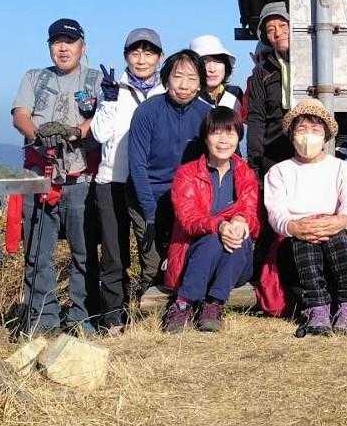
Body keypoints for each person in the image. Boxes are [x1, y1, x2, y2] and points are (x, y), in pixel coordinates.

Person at [12, 18, 102, 335]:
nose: (63, 48)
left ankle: (83, 319)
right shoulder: (34, 77)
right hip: (39, 177)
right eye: (57, 42)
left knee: (84, 254)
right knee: (38, 255)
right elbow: (20, 114)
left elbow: (103, 117)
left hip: (81, 178)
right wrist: (37, 135)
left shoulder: (96, 79)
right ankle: (42, 321)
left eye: (70, 42)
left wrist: (76, 131)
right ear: (50, 47)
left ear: (82, 47)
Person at [263, 99, 347, 337]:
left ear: (326, 134)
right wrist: (294, 227)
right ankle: (316, 308)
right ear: (291, 134)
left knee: (339, 236)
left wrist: (341, 220)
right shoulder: (278, 171)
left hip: (333, 236)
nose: (308, 135)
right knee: (304, 241)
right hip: (293, 241)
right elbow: (276, 213)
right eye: (302, 128)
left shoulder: (340, 167)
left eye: (315, 128)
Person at [88, 27, 164, 331]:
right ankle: (113, 319)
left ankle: (150, 314)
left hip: (150, 183)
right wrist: (108, 101)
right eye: (135, 52)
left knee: (153, 249)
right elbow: (99, 134)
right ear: (125, 56)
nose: (141, 59)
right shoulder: (112, 88)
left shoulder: (166, 90)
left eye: (149, 52)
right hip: (113, 179)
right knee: (114, 254)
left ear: (160, 57)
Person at [161, 107, 261, 333]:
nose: (224, 140)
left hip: (235, 265)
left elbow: (254, 218)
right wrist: (220, 225)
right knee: (213, 239)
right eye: (216, 133)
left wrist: (241, 220)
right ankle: (185, 303)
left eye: (230, 133)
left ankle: (213, 304)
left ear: (239, 137)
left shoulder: (246, 173)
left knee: (241, 237)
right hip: (194, 261)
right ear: (206, 138)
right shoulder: (187, 173)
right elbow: (188, 219)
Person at [127, 48, 212, 298]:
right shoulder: (147, 112)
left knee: (185, 260)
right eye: (178, 77)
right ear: (166, 79)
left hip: (189, 200)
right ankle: (148, 314)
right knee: (153, 266)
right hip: (149, 195)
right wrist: (150, 213)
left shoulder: (207, 114)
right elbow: (137, 166)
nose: (184, 85)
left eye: (192, 78)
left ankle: (185, 307)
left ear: (200, 84)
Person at [246, 2, 347, 175]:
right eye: (271, 29)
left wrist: (341, 145)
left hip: (317, 152)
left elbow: (342, 103)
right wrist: (255, 162)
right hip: (274, 155)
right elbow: (256, 117)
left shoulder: (319, 62)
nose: (278, 33)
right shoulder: (262, 71)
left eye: (283, 25)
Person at [190, 34, 243, 110]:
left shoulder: (236, 94)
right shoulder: (187, 101)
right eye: (205, 62)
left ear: (226, 65)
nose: (212, 69)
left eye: (217, 61)